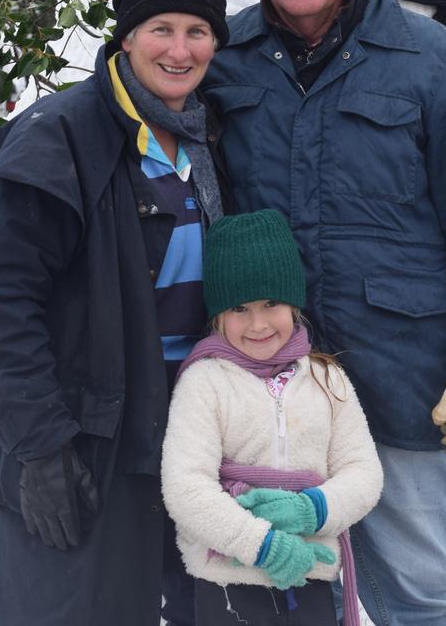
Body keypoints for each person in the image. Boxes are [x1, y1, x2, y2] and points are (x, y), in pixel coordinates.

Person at [201, 0, 446, 626]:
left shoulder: (432, 60)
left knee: (419, 598)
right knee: (284, 598)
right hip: (271, 386)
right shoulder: (229, 62)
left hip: (403, 378)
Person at [0, 0, 231, 626]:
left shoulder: (209, 137)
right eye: (162, 29)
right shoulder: (57, 138)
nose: (180, 51)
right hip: (88, 435)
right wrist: (41, 446)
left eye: (198, 31)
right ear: (127, 36)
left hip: (190, 428)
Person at [161, 208, 383, 626]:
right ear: (217, 316)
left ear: (293, 303)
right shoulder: (204, 382)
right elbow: (185, 487)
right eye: (240, 309)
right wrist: (262, 545)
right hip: (226, 581)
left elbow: (363, 473)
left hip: (309, 573)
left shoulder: (326, 378)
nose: (258, 323)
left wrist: (311, 511)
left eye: (272, 303)